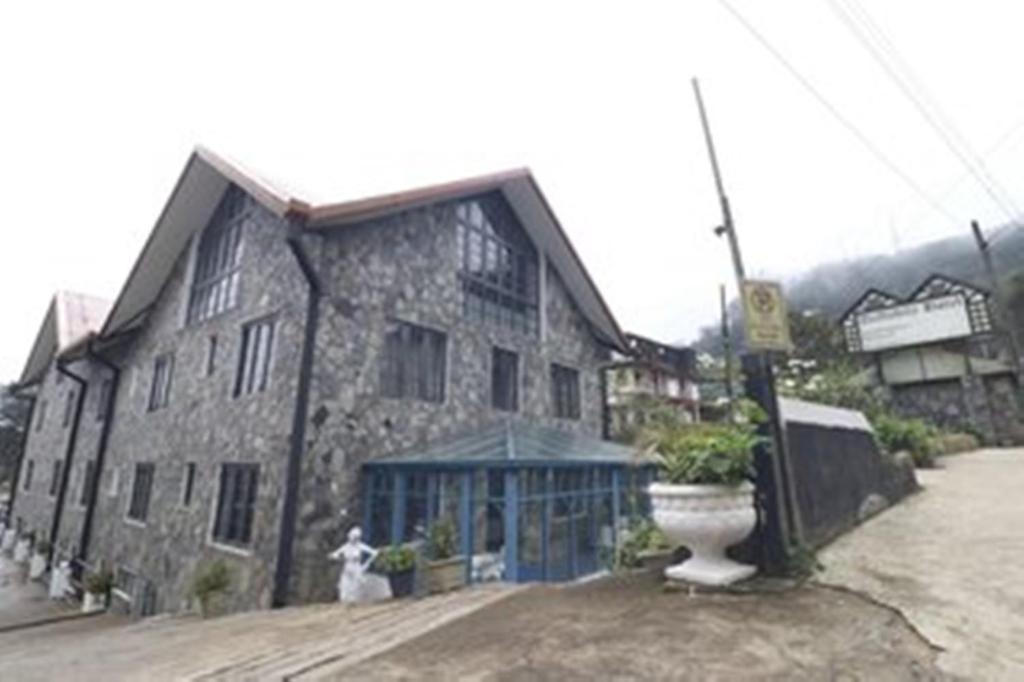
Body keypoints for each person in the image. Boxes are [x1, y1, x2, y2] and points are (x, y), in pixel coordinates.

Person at [327, 527, 378, 604]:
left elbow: (373, 552)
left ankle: (353, 599)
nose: (352, 539)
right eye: (352, 536)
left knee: (355, 583)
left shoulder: (361, 546)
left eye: (355, 537)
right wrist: (333, 555)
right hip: (347, 566)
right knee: (344, 582)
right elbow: (338, 552)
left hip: (356, 566)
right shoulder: (346, 546)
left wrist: (367, 563)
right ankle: (344, 598)